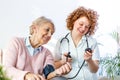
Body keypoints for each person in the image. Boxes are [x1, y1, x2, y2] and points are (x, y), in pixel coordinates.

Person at [3, 16, 71, 80]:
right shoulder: (16, 42)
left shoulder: (47, 53)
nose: (50, 35)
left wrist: (57, 72)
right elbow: (6, 69)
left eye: (52, 33)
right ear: (34, 28)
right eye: (47, 30)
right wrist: (26, 75)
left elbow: (48, 74)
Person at [54, 6, 100, 80]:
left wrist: (89, 60)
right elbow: (54, 66)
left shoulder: (92, 42)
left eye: (87, 27)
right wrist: (62, 61)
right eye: (81, 24)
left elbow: (95, 70)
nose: (83, 29)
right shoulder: (62, 41)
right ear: (73, 21)